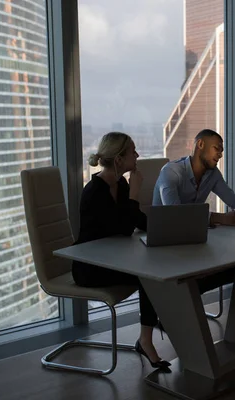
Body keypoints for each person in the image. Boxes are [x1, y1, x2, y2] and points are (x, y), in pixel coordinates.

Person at [71, 132, 170, 371]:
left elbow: (136, 220)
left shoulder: (120, 184)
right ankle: (146, 340)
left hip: (114, 260)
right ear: (118, 160)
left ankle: (153, 331)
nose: (137, 155)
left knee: (153, 271)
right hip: (91, 267)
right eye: (132, 151)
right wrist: (135, 194)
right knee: (149, 276)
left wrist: (166, 230)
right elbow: (125, 228)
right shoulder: (94, 192)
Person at [153, 128, 235, 293]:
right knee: (227, 267)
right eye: (217, 148)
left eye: (222, 151)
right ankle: (184, 299)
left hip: (192, 239)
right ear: (200, 144)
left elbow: (233, 200)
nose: (220, 154)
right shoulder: (171, 172)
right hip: (165, 242)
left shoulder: (212, 174)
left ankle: (189, 296)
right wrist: (220, 218)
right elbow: (176, 214)